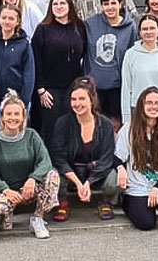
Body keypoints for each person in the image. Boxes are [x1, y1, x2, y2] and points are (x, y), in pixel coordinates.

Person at [0, 91, 60, 239]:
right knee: (1, 207)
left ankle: (38, 218)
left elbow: (45, 161)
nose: (12, 118)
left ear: (23, 116)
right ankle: (6, 215)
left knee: (52, 175)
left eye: (16, 114)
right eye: (8, 114)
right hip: (5, 191)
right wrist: (5, 189)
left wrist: (33, 178)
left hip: (29, 189)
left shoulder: (31, 136)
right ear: (2, 117)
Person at [49, 77, 119, 221]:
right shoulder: (63, 123)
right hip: (70, 174)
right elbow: (58, 158)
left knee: (114, 178)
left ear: (91, 100)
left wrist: (88, 182)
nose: (77, 103)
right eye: (74, 99)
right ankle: (62, 204)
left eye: (82, 99)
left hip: (96, 173)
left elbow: (107, 159)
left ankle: (105, 203)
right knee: (53, 175)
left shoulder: (105, 124)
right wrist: (77, 182)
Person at [115, 88, 158, 231]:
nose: (153, 106)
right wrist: (120, 168)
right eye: (149, 103)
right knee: (146, 224)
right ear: (142, 105)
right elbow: (116, 157)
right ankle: (129, 203)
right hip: (138, 185)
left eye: (157, 103)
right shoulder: (129, 128)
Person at [31, 0, 87, 146]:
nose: (59, 7)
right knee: (52, 129)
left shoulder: (79, 27)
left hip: (73, 87)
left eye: (62, 3)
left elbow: (85, 55)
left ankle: (70, 162)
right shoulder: (43, 29)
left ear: (69, 6)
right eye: (55, 4)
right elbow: (36, 59)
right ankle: (52, 164)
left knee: (73, 127)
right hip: (50, 90)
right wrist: (40, 88)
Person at [84, 0, 137, 130]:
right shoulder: (90, 24)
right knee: (96, 124)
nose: (110, 7)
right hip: (95, 84)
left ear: (121, 4)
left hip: (118, 85)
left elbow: (132, 54)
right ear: (101, 6)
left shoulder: (130, 27)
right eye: (105, 3)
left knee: (116, 125)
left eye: (113, 3)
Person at [121, 15, 158, 126]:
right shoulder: (130, 54)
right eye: (145, 29)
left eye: (152, 28)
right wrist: (126, 118)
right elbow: (126, 87)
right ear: (139, 32)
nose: (148, 32)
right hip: (137, 109)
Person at [0, 4, 36, 129]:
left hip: (17, 100)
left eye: (11, 19)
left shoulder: (23, 44)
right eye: (4, 18)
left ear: (17, 21)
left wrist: (23, 100)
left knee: (16, 135)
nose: (7, 21)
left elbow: (29, 74)